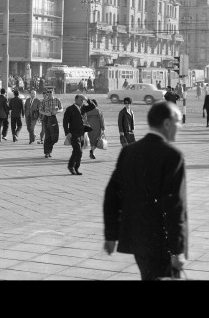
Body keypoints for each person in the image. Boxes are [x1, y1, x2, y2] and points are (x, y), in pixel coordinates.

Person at [103, 101, 187, 280]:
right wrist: (177, 250)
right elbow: (174, 206)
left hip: (136, 238)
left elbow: (112, 195)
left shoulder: (129, 151)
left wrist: (111, 235)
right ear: (167, 123)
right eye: (178, 121)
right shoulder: (172, 155)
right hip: (163, 243)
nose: (180, 126)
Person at [63, 94, 87, 175]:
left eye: (83, 100)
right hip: (73, 134)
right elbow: (65, 122)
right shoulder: (70, 109)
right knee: (78, 151)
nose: (82, 101)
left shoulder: (83, 108)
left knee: (77, 152)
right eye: (81, 100)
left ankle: (75, 168)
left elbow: (93, 106)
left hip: (81, 134)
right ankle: (72, 166)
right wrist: (67, 132)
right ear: (76, 100)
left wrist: (87, 99)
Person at [40, 88, 61, 157]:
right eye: (47, 92)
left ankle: (49, 149)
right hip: (46, 118)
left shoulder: (57, 100)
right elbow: (40, 110)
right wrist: (45, 113)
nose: (49, 93)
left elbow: (61, 108)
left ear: (53, 92)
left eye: (50, 92)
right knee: (47, 136)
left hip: (53, 118)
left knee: (55, 137)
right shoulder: (43, 101)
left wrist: (57, 111)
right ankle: (47, 152)